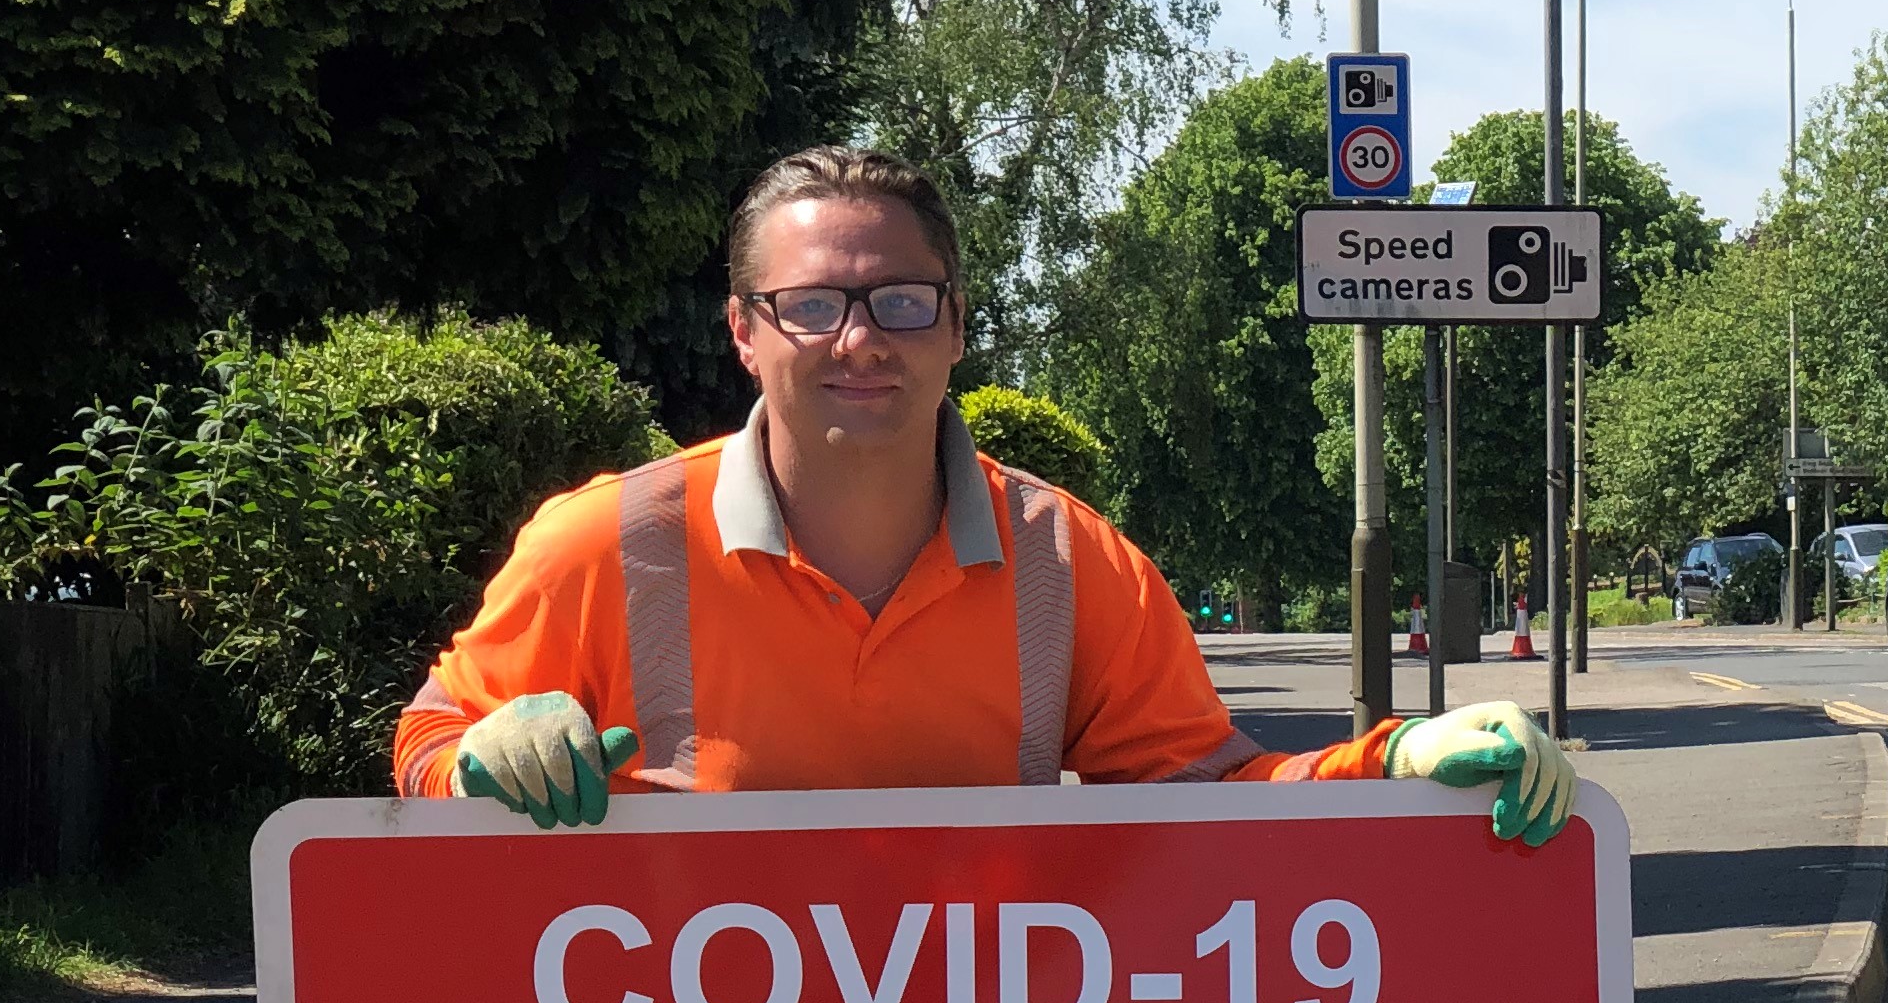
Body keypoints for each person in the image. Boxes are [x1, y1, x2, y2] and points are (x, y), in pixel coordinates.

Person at [392, 145, 1571, 843]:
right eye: (813, 305)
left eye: (902, 299)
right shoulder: (606, 542)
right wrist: (478, 753)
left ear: (955, 326)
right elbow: (432, 743)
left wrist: (1399, 759)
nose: (860, 339)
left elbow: (1217, 802)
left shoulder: (1073, 561)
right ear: (746, 333)